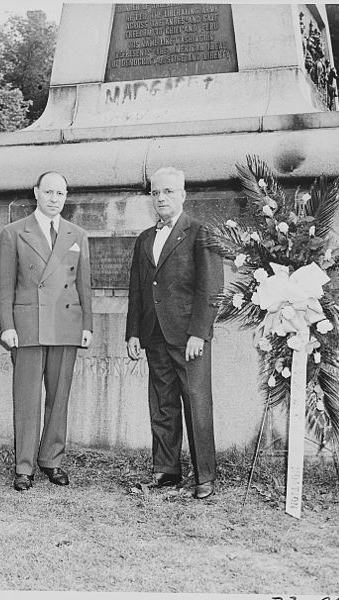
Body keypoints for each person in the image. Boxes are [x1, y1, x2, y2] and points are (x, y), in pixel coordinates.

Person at [125, 166, 221, 500]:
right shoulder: (144, 239)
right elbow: (137, 290)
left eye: (168, 191)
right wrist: (133, 332)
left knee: (196, 403)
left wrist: (199, 333)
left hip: (188, 337)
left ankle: (204, 476)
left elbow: (211, 289)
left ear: (182, 194)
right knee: (162, 405)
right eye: (156, 193)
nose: (161, 198)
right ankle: (166, 471)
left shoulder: (199, 232)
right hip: (153, 336)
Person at [0, 171, 93, 491]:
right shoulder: (13, 233)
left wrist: (87, 325)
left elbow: (84, 285)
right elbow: (6, 286)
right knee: (27, 398)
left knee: (59, 396)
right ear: (36, 193)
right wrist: (7, 326)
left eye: (61, 194)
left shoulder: (77, 234)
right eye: (49, 192)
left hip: (66, 323)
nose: (55, 199)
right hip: (28, 326)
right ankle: (23, 466)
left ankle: (52, 459)